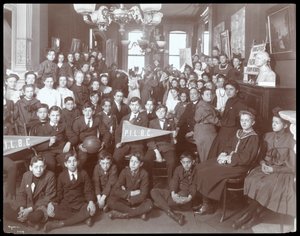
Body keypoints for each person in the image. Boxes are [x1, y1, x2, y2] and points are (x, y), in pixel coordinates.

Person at [232, 107, 296, 230]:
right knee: (252, 179)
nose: (273, 125)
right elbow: (259, 156)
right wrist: (262, 164)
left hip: (283, 173)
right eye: (272, 122)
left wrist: (274, 170)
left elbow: (293, 167)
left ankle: (248, 215)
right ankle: (253, 215)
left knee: (266, 184)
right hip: (266, 167)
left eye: (277, 123)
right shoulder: (267, 136)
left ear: (285, 126)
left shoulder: (291, 141)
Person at [193, 110, 259, 215]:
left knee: (207, 172)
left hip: (239, 167)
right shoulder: (238, 132)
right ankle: (203, 200)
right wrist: (223, 153)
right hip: (230, 161)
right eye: (242, 120)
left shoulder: (253, 137)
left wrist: (229, 159)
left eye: (247, 120)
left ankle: (207, 205)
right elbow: (229, 146)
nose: (244, 123)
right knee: (201, 167)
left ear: (253, 123)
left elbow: (246, 158)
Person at [43, 151, 96, 232]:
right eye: (69, 162)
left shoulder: (83, 173)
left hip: (80, 204)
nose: (72, 164)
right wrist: (51, 203)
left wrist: (91, 202)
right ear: (65, 164)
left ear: (78, 162)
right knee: (52, 211)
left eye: (74, 161)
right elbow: (59, 194)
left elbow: (88, 190)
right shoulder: (61, 176)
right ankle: (83, 219)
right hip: (66, 204)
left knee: (92, 209)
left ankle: (59, 224)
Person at [4, 155, 56, 230]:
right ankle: (31, 222)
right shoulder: (26, 175)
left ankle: (29, 221)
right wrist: (22, 208)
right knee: (6, 211)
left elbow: (48, 197)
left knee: (37, 216)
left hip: (41, 206)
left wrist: (29, 210)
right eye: (36, 167)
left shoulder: (50, 176)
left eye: (41, 166)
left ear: (45, 167)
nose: (39, 170)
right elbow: (22, 193)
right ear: (30, 168)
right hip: (28, 204)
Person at [150, 152, 198, 226]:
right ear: (181, 162)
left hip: (185, 195)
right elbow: (174, 181)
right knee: (153, 191)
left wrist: (189, 198)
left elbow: (194, 186)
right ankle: (173, 214)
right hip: (174, 194)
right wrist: (172, 193)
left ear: (193, 162)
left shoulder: (196, 171)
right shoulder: (178, 169)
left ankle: (159, 204)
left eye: (188, 162)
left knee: (181, 196)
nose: (186, 165)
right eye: (184, 162)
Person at [207, 80, 248, 160]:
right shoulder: (229, 100)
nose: (228, 91)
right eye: (226, 89)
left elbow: (241, 122)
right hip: (224, 130)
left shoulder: (241, 103)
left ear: (237, 90)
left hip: (231, 133)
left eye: (231, 89)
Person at [107, 153, 153, 220]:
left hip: (137, 200)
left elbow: (144, 194)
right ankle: (138, 213)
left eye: (136, 162)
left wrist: (131, 200)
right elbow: (116, 189)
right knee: (110, 201)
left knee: (149, 204)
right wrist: (130, 193)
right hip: (125, 198)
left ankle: (120, 214)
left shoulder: (144, 174)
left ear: (141, 164)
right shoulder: (124, 172)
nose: (133, 164)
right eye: (131, 161)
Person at [144, 104, 177, 186]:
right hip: (154, 146)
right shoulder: (151, 123)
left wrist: (174, 138)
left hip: (167, 147)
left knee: (172, 162)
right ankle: (148, 183)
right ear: (156, 112)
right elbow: (149, 138)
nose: (161, 113)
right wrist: (156, 152)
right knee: (146, 160)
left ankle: (171, 185)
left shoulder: (171, 122)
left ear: (166, 113)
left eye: (163, 111)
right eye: (159, 111)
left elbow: (172, 137)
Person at [31, 106, 71, 173]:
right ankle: (51, 182)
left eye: (57, 115)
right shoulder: (41, 128)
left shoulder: (64, 125)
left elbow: (73, 136)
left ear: (60, 115)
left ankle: (65, 181)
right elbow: (37, 146)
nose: (55, 117)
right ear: (49, 115)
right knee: (50, 165)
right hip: (47, 151)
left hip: (61, 150)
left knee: (68, 164)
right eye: (53, 115)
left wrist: (69, 143)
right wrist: (49, 144)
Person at [113, 97, 148, 173]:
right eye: (132, 105)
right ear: (130, 106)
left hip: (137, 144)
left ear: (139, 106)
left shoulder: (144, 118)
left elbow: (142, 133)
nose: (134, 107)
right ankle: (123, 174)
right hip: (124, 144)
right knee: (116, 158)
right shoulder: (125, 118)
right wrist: (118, 142)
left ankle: (135, 176)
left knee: (139, 160)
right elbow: (118, 132)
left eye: (136, 105)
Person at [193, 88, 219, 163]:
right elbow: (213, 120)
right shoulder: (203, 106)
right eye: (207, 94)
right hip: (205, 132)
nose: (209, 96)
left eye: (210, 94)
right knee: (207, 154)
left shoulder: (206, 104)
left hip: (206, 130)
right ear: (202, 96)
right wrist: (225, 123)